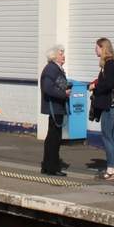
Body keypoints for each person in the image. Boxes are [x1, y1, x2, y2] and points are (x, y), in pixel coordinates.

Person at [89, 37, 114, 180]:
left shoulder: (109, 64)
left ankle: (110, 169)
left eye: (97, 47)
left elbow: (107, 85)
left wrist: (95, 86)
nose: (95, 50)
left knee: (107, 136)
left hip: (109, 105)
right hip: (112, 104)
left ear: (103, 48)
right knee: (112, 136)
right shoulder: (112, 63)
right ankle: (112, 167)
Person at [39, 44, 71, 176]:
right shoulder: (51, 69)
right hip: (54, 107)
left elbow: (58, 85)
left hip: (58, 107)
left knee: (53, 137)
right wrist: (64, 94)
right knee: (54, 138)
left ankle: (48, 166)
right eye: (61, 53)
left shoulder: (56, 69)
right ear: (54, 56)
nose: (63, 56)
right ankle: (52, 168)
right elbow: (48, 88)